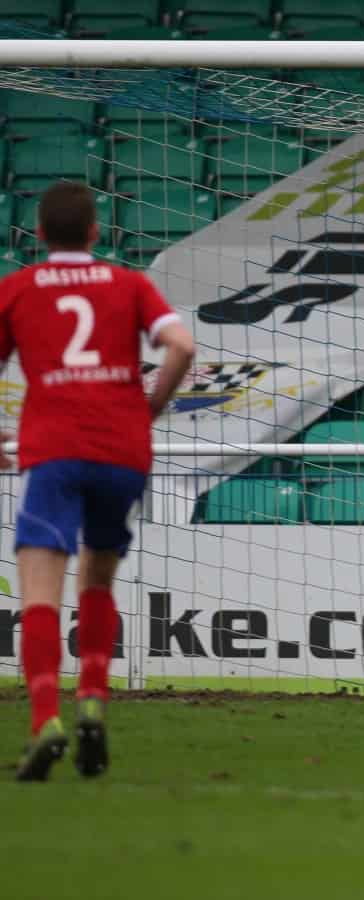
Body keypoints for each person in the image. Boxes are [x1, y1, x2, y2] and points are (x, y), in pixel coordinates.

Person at [1, 181, 197, 781]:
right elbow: (182, 345)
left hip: (56, 447)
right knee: (99, 574)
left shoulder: (16, 288)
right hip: (122, 450)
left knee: (40, 583)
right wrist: (150, 408)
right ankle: (93, 697)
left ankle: (45, 721)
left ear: (37, 234)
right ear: (95, 231)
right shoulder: (128, 283)